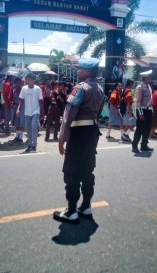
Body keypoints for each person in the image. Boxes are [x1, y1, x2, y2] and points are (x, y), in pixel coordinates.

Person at [53, 58, 104, 224]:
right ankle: (86, 206)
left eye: (80, 69)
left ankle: (71, 211)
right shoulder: (100, 88)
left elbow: (68, 115)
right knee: (87, 169)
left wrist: (62, 138)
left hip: (79, 132)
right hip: (93, 132)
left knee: (71, 170)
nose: (78, 71)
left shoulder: (80, 87)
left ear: (87, 72)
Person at [16, 73, 44, 152]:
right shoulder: (24, 88)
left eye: (29, 80)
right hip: (27, 112)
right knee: (28, 129)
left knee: (34, 126)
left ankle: (34, 145)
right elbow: (21, 100)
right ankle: (29, 145)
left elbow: (41, 101)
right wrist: (18, 109)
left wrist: (42, 112)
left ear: (34, 80)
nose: (27, 81)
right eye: (27, 79)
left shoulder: (38, 89)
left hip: (36, 111)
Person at [131, 70, 153, 153]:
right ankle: (134, 146)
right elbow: (138, 101)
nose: (150, 79)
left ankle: (144, 145)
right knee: (139, 129)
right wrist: (140, 113)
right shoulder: (139, 87)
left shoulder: (148, 86)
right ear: (145, 78)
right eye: (149, 77)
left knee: (147, 129)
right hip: (142, 111)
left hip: (148, 110)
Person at [9, 77, 25, 144]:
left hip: (21, 106)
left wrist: (19, 90)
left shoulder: (23, 89)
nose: (18, 84)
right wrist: (11, 104)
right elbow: (9, 97)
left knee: (21, 122)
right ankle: (17, 136)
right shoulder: (13, 89)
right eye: (16, 82)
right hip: (14, 106)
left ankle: (21, 137)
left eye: (19, 82)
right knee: (16, 122)